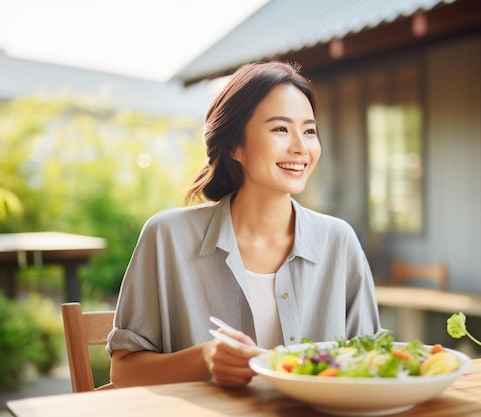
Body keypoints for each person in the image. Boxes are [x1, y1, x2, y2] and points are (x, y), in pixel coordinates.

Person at [106, 61, 381, 388]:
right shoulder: (167, 237)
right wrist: (204, 358)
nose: (301, 147)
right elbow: (123, 373)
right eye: (281, 129)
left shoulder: (338, 241)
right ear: (235, 145)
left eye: (309, 131)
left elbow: (371, 360)